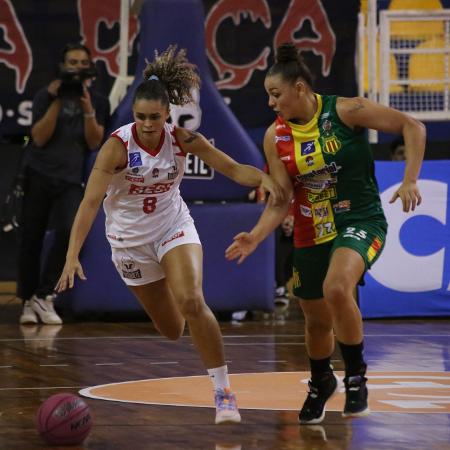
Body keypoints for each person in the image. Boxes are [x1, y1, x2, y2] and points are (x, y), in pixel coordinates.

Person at [55, 45, 283, 424]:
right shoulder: (116, 147)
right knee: (173, 329)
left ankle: (224, 393)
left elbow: (233, 169)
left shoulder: (183, 140)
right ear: (134, 115)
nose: (147, 124)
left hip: (173, 226)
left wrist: (265, 179)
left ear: (167, 114)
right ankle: (174, 298)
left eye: (155, 117)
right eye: (141, 117)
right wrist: (71, 254)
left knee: (193, 301)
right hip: (129, 242)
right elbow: (90, 203)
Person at [225, 42, 425, 424]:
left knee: (338, 287)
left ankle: (355, 378)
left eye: (275, 94)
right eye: (268, 95)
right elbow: (281, 199)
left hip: (360, 220)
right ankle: (321, 381)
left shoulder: (347, 110)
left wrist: (409, 179)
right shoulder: (275, 137)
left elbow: (411, 126)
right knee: (315, 321)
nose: (271, 103)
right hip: (310, 229)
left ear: (300, 88)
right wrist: (256, 234)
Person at [18, 43, 110, 325]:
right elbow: (39, 137)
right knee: (30, 238)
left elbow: (95, 141)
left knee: (71, 230)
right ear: (62, 64)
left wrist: (87, 109)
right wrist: (58, 100)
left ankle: (44, 295)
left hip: (71, 178)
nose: (78, 67)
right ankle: (27, 301)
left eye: (83, 62)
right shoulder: (44, 96)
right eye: (72, 62)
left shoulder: (98, 100)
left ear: (91, 66)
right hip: (38, 173)